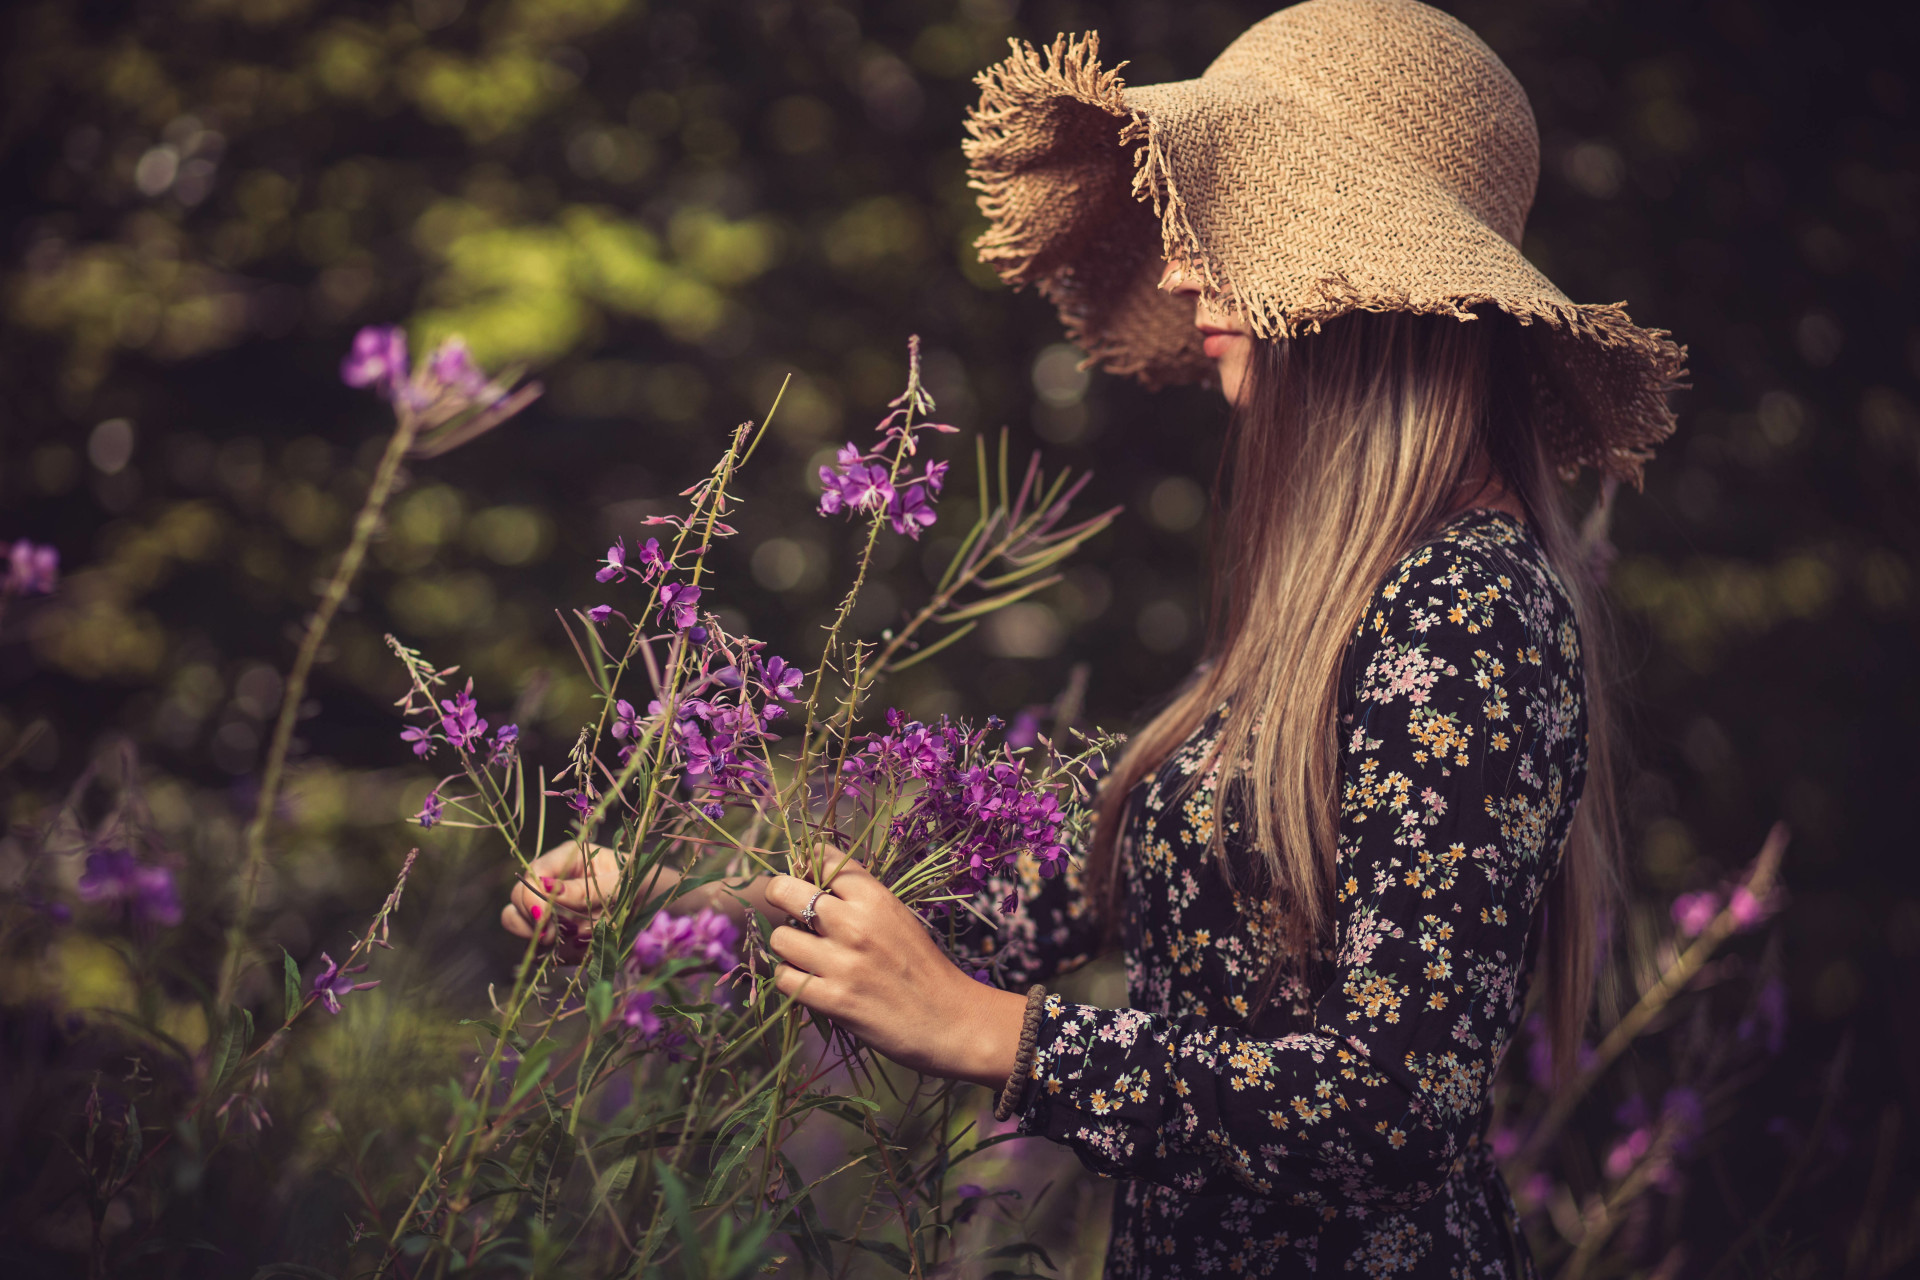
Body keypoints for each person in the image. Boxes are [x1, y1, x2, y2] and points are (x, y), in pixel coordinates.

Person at [502, 0, 1686, 1273]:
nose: (1181, 272)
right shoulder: (1336, 608)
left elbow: (1394, 1104)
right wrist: (685, 911)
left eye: (1232, 227)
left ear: (1358, 274)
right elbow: (1014, 918)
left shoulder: (1467, 610)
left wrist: (992, 1032)